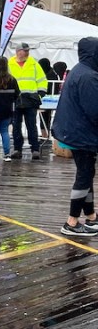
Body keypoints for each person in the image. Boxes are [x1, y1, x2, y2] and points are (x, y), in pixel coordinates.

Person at [51, 38, 98, 237]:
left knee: (87, 173)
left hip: (75, 130)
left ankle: (91, 216)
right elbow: (95, 110)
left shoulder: (79, 70)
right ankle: (71, 221)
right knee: (85, 174)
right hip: (82, 133)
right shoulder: (89, 76)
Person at [8, 42, 47, 160]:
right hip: (16, 99)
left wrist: (40, 95)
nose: (26, 53)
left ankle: (35, 149)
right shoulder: (9, 64)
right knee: (16, 126)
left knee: (31, 126)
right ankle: (17, 149)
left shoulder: (34, 63)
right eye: (24, 51)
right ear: (18, 51)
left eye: (27, 51)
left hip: (30, 99)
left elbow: (42, 80)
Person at [38, 57, 60, 137]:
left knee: (44, 117)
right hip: (49, 99)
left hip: (47, 100)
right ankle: (45, 134)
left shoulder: (49, 75)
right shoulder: (52, 73)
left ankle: (45, 135)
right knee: (46, 117)